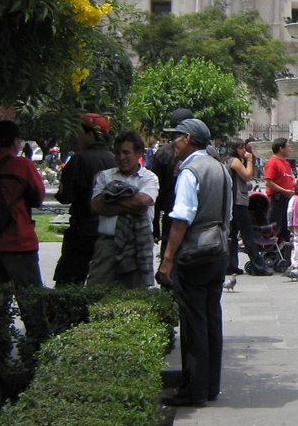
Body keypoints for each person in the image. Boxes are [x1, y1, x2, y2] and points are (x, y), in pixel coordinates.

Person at [156, 118, 231, 408]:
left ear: (188, 139)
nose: (172, 143)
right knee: (212, 318)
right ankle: (211, 385)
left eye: (175, 137)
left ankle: (194, 389)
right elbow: (228, 216)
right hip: (218, 250)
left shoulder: (191, 170)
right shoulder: (221, 168)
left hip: (195, 253)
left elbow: (181, 218)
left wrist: (167, 259)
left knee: (193, 322)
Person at [0, 121, 47, 288]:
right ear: (16, 140)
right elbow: (38, 197)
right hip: (18, 239)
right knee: (30, 301)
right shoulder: (22, 165)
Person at [87, 131, 159, 288]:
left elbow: (143, 202)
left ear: (139, 153)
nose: (121, 157)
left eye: (126, 152)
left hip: (136, 246)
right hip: (107, 245)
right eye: (118, 153)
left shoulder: (149, 178)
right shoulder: (105, 176)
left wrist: (111, 198)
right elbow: (96, 205)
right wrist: (130, 204)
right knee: (96, 292)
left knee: (134, 297)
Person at [54, 113, 116, 286]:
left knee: (69, 281)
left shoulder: (79, 160)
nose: (77, 138)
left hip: (82, 230)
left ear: (90, 135)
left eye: (79, 132)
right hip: (107, 231)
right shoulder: (114, 160)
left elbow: (65, 197)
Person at [153, 108, 195, 257]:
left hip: (173, 214)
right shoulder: (204, 153)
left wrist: (154, 222)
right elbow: (155, 189)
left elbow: (156, 191)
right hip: (186, 215)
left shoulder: (163, 152)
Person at [226, 138, 271, 276]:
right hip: (238, 202)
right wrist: (250, 160)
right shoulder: (234, 161)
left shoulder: (227, 160)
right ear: (234, 148)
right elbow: (247, 175)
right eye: (241, 148)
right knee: (248, 235)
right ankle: (258, 266)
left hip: (233, 202)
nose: (244, 151)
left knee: (232, 235)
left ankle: (231, 265)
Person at [264, 138, 295, 260]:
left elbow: (289, 179)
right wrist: (283, 190)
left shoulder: (286, 164)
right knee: (274, 228)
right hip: (276, 200)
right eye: (288, 146)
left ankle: (284, 257)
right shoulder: (272, 162)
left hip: (286, 199)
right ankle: (271, 256)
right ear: (281, 149)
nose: (289, 148)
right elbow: (268, 182)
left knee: (285, 229)